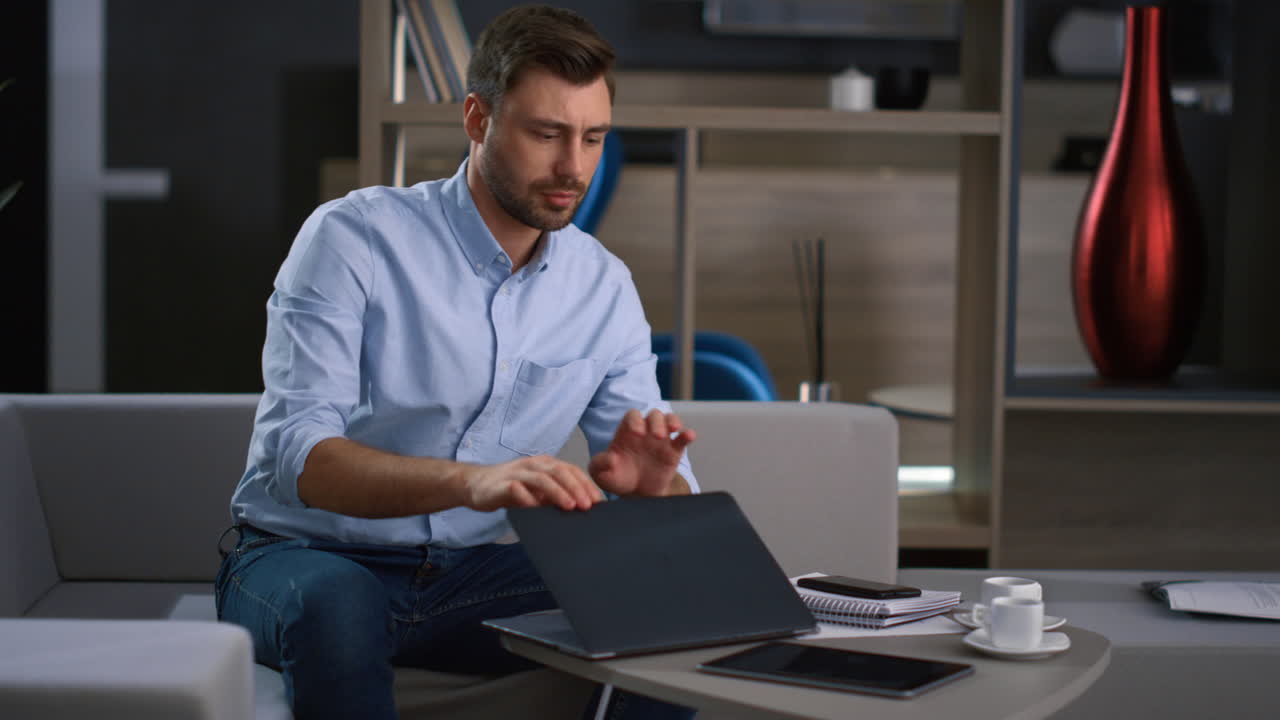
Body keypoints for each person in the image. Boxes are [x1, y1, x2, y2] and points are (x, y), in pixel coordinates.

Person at [215, 5, 699, 719]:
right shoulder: (354, 239)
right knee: (338, 604)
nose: (574, 167)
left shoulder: (603, 287)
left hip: (473, 577)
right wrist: (475, 483)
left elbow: (659, 485)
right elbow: (301, 456)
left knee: (667, 596)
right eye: (547, 134)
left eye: (592, 137)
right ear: (477, 119)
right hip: (300, 558)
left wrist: (655, 491)